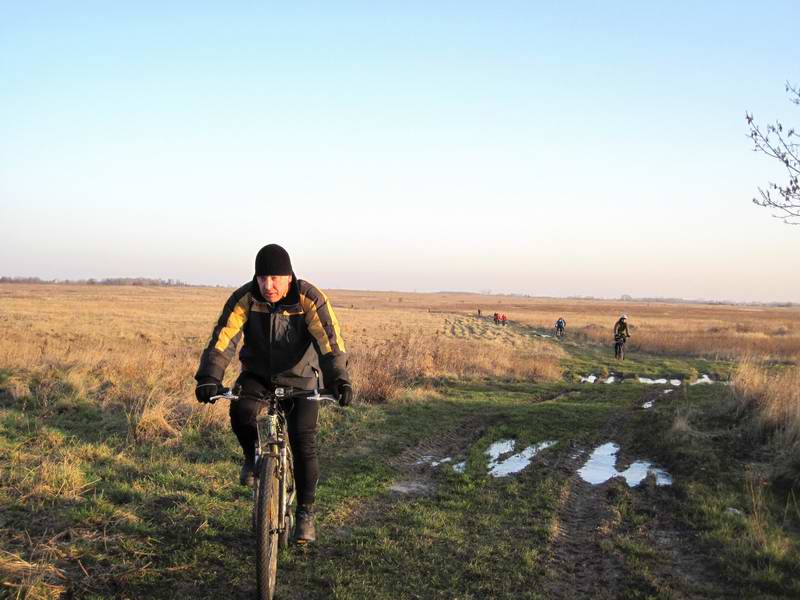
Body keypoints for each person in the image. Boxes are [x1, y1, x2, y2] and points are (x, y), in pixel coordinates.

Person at [194, 244, 352, 543]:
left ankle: (305, 513)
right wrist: (209, 377)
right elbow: (223, 338)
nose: (268, 285)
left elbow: (330, 341)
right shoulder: (245, 298)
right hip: (257, 375)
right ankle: (252, 457)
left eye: (275, 278)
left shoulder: (309, 298)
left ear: (289, 276)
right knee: (241, 412)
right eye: (262, 277)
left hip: (301, 379)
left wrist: (339, 380)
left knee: (303, 442)